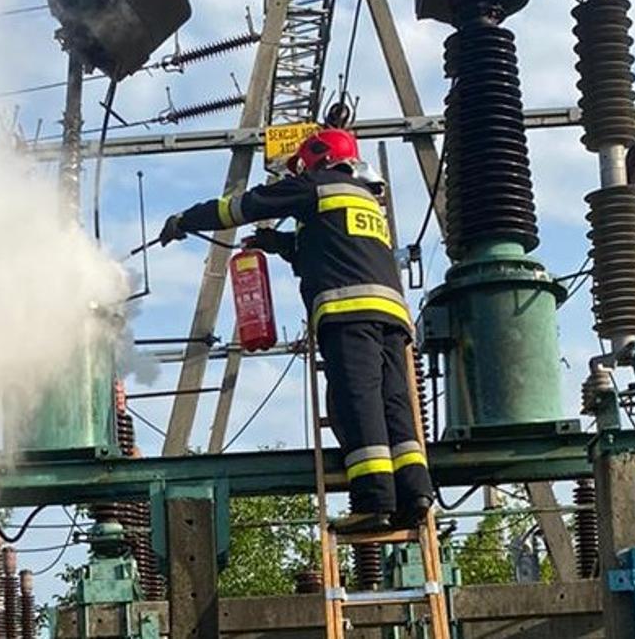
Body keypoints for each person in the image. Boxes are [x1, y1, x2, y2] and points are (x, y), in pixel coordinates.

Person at [157, 128, 430, 533]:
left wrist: (184, 220)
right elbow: (329, 247)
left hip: (348, 310)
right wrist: (277, 243)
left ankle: (374, 501)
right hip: (391, 315)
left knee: (358, 402)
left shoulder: (316, 186)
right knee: (395, 404)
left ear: (318, 158)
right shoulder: (366, 200)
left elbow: (241, 206)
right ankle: (416, 494)